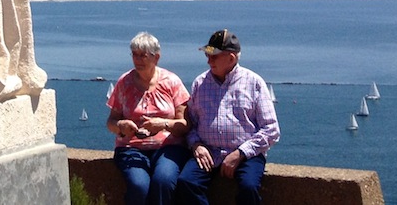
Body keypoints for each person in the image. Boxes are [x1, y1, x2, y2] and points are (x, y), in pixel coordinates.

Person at [174, 29, 279, 205]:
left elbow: (271, 130)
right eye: (207, 55)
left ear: (231, 58)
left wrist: (240, 153)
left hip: (246, 154)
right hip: (209, 152)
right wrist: (196, 145)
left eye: (214, 56)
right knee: (186, 183)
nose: (208, 60)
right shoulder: (200, 83)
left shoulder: (254, 83)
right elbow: (191, 124)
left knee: (249, 187)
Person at [106, 32, 189, 205]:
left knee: (164, 181)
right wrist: (121, 126)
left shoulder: (171, 82)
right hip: (131, 148)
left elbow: (185, 124)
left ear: (156, 57)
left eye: (142, 56)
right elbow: (111, 122)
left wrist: (163, 124)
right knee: (138, 185)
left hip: (168, 147)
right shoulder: (124, 82)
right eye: (134, 55)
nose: (137, 60)